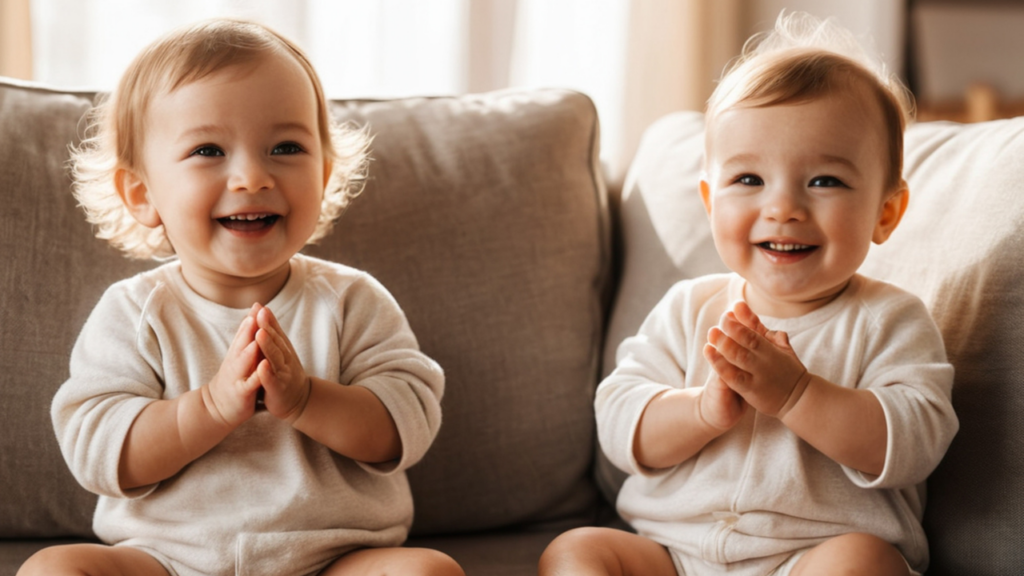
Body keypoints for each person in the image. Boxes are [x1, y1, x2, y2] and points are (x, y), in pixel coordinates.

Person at [19, 19, 463, 576]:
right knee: (54, 569)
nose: (252, 176)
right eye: (208, 149)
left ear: (323, 176)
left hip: (335, 558)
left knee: (428, 572)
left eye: (285, 147)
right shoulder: (134, 312)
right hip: (167, 560)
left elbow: (409, 422)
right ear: (142, 193)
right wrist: (208, 409)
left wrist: (305, 400)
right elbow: (98, 450)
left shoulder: (353, 301)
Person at [539, 12, 958, 576]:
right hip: (673, 555)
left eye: (824, 181)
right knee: (575, 551)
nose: (783, 208)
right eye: (749, 180)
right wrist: (702, 411)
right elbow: (620, 421)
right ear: (711, 203)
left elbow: (914, 442)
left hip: (809, 557)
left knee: (864, 561)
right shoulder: (690, 309)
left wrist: (798, 396)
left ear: (886, 212)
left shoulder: (890, 320)